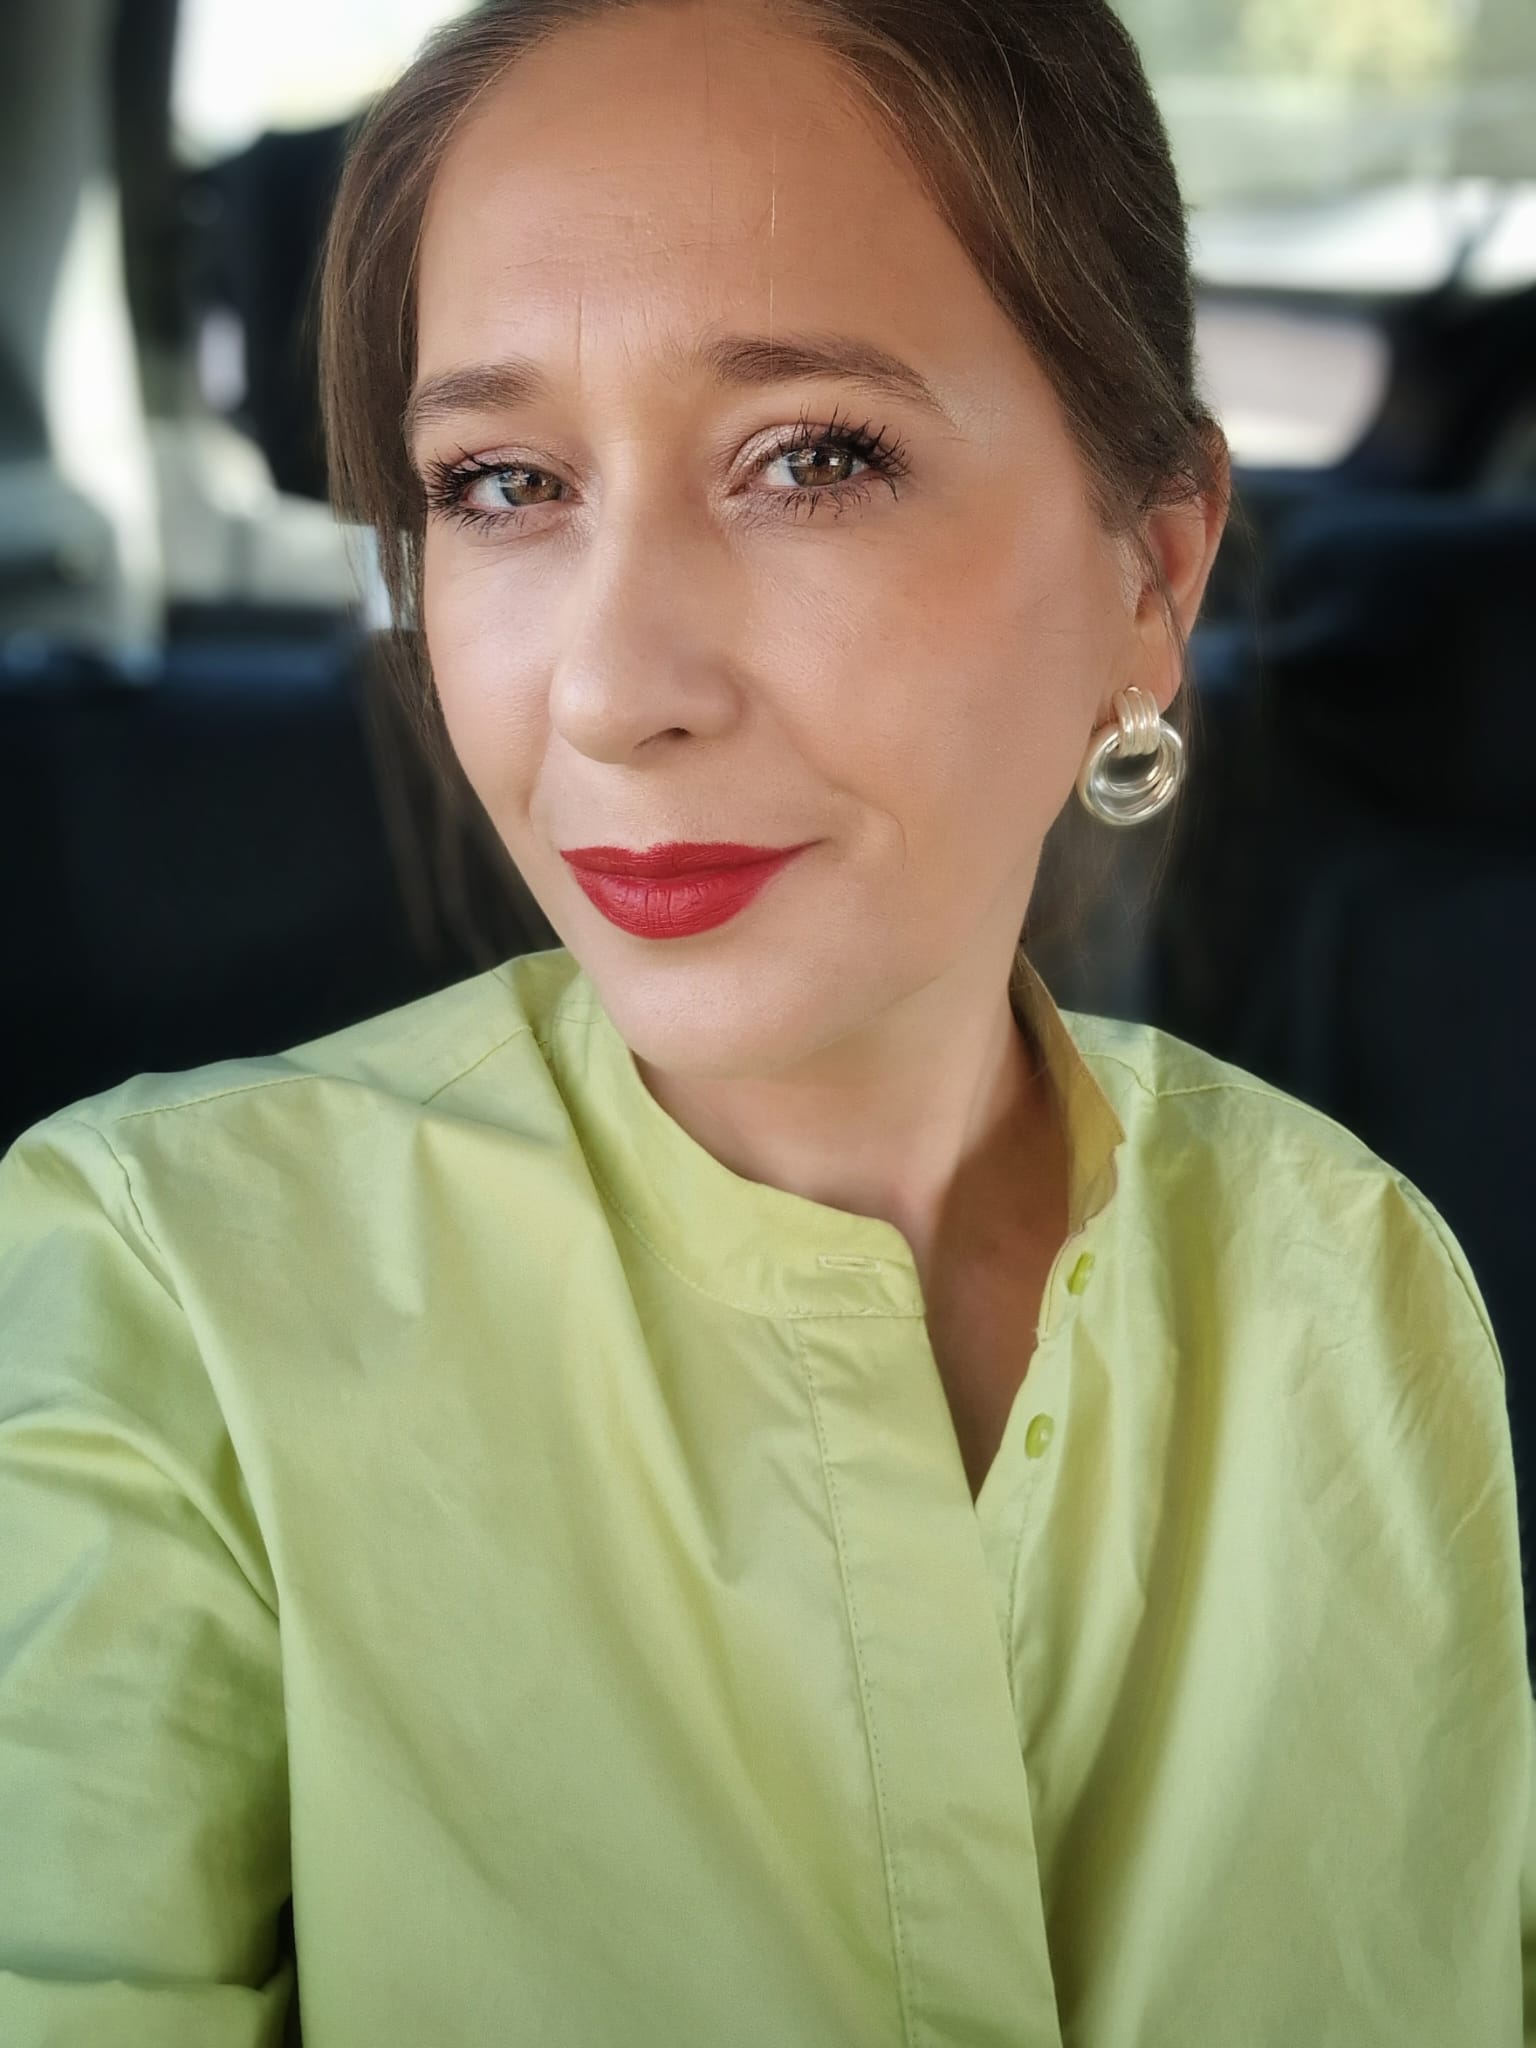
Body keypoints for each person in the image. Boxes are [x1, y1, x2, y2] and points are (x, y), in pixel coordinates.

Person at [1, 1, 1530, 2041]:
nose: (610, 687)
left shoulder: (1364, 1274)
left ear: (1151, 574)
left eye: (813, 459)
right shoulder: (155, 1287)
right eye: (503, 483)